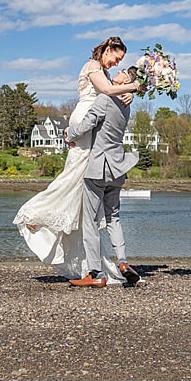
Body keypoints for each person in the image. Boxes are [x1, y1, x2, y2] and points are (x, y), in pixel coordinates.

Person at [13, 37, 143, 284]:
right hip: (85, 124)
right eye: (116, 57)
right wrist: (133, 88)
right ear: (106, 49)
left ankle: (91, 266)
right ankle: (37, 214)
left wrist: (130, 92)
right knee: (73, 177)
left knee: (79, 186)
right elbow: (106, 92)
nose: (117, 63)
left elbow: (113, 93)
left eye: (121, 62)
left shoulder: (105, 73)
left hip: (93, 130)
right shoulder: (92, 66)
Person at [63, 66, 143, 287]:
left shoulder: (105, 99)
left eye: (123, 71)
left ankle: (94, 273)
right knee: (113, 217)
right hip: (118, 167)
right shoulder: (126, 105)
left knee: (90, 220)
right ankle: (123, 262)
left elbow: (87, 124)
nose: (118, 71)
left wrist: (69, 134)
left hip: (98, 167)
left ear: (127, 79)